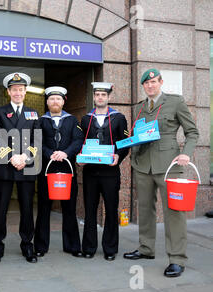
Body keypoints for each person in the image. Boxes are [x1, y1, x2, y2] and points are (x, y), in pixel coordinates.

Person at [124, 69, 199, 277]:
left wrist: (186, 153)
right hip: (142, 165)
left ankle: (177, 258)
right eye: (146, 83)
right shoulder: (139, 107)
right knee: (145, 208)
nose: (150, 86)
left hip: (169, 165)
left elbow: (192, 132)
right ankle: (146, 248)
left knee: (174, 213)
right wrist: (132, 154)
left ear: (161, 82)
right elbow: (136, 134)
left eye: (154, 82)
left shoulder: (175, 102)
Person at [0, 72, 40, 264]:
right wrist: (12, 157)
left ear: (25, 91)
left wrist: (25, 157)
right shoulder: (0, 111)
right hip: (6, 167)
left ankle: (27, 245)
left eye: (21, 89)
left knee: (27, 208)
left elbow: (37, 138)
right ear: (8, 92)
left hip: (26, 167)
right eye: (14, 90)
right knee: (0, 209)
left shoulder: (33, 113)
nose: (17, 92)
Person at [80, 82, 129, 261]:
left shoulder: (119, 118)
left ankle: (110, 249)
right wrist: (80, 156)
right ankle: (89, 247)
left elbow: (125, 143)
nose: (100, 97)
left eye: (103, 94)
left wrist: (118, 156)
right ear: (93, 97)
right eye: (97, 94)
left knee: (110, 209)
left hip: (110, 172)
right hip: (90, 172)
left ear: (109, 97)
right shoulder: (86, 119)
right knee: (90, 210)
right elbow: (80, 142)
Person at [34, 86, 84, 258]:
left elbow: (78, 141)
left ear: (63, 101)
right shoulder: (40, 121)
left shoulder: (73, 121)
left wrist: (66, 153)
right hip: (46, 171)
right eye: (52, 99)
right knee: (43, 209)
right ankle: (40, 246)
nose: (55, 102)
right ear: (47, 102)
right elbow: (36, 141)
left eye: (58, 99)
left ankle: (73, 246)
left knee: (69, 209)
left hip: (67, 169)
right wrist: (50, 154)